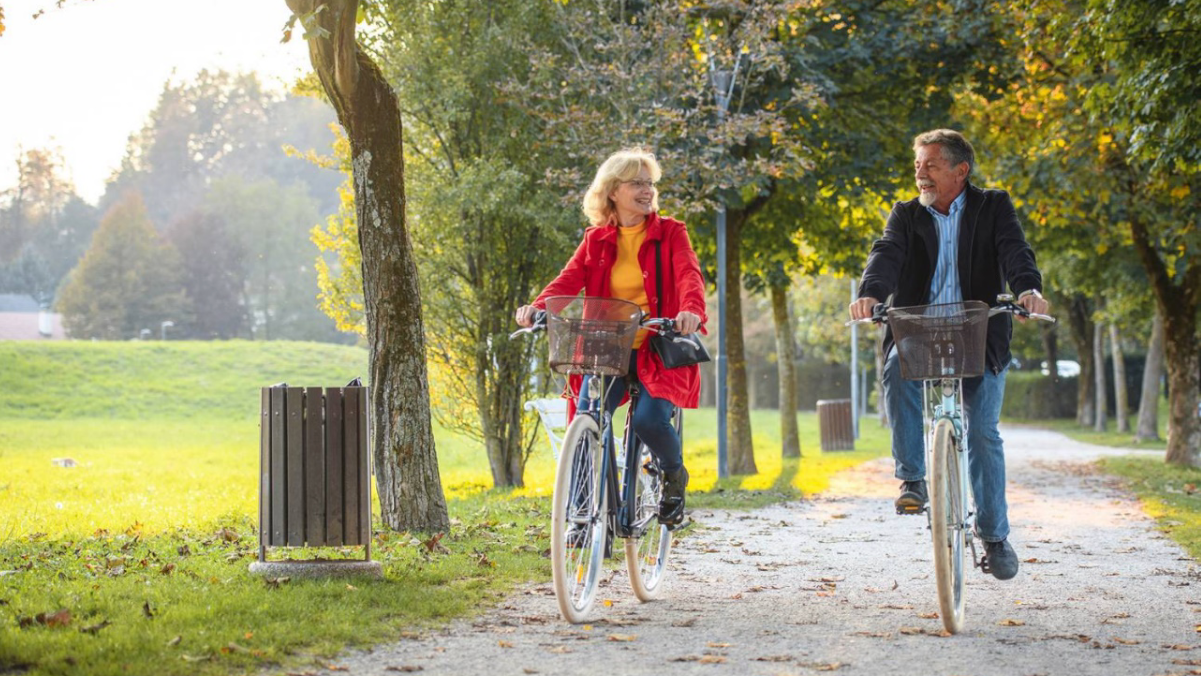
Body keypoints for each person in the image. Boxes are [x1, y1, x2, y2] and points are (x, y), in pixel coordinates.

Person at [848, 129, 1050, 581]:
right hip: (918, 329)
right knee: (897, 367)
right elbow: (885, 256)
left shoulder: (992, 206)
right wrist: (870, 294)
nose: (920, 173)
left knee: (982, 432)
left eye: (931, 165)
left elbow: (1015, 250)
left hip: (979, 332)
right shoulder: (904, 214)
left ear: (960, 171)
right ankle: (913, 479)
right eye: (918, 164)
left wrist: (1028, 290)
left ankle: (994, 537)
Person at [515, 148, 707, 526]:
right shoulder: (597, 239)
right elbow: (567, 281)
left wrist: (691, 312)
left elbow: (689, 276)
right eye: (636, 183)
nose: (646, 190)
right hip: (607, 348)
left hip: (657, 345)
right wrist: (537, 308)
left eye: (649, 183)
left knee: (649, 421)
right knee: (588, 421)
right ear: (613, 191)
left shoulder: (671, 233)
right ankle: (582, 517)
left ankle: (673, 475)